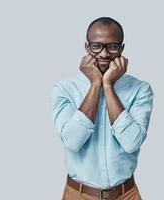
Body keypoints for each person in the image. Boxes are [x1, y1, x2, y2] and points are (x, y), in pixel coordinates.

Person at [51, 16, 154, 200]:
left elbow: (131, 143)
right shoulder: (64, 89)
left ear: (122, 48)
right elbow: (73, 141)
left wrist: (108, 86)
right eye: (97, 46)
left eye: (113, 46)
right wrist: (95, 85)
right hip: (78, 194)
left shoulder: (140, 89)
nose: (105, 54)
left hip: (126, 195)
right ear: (86, 47)